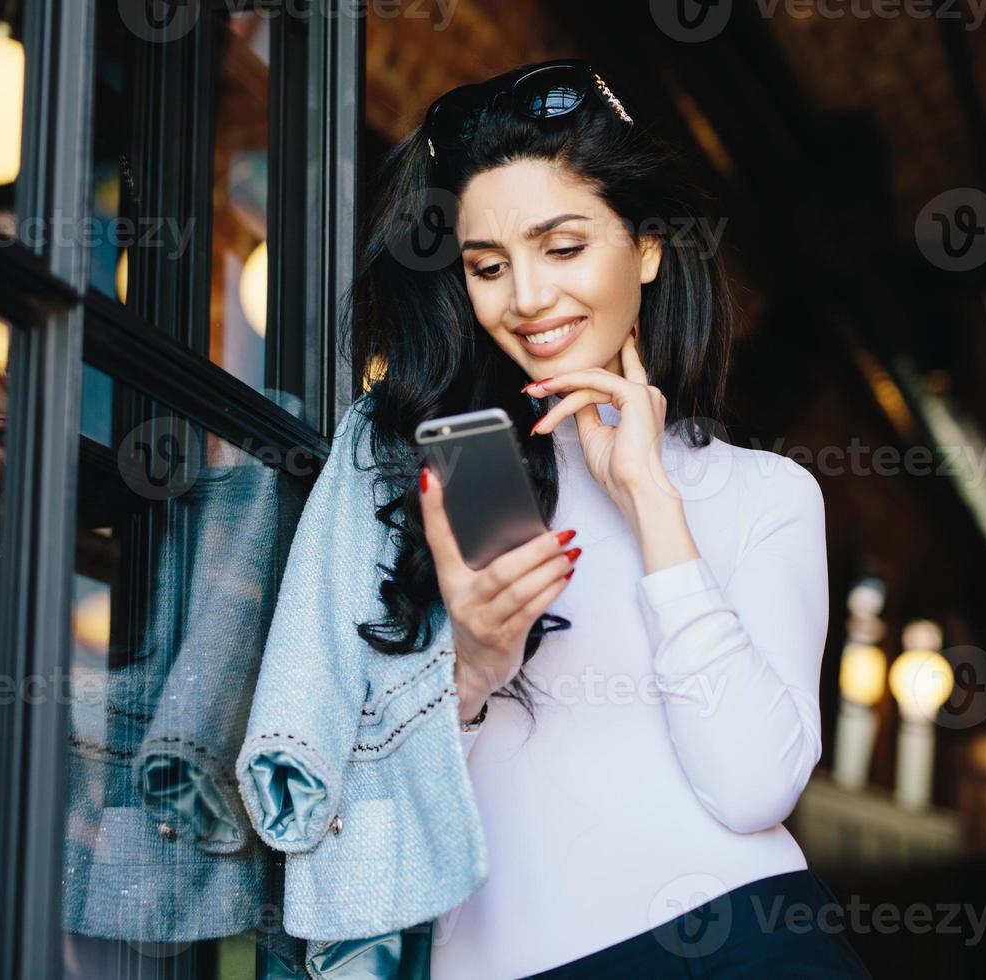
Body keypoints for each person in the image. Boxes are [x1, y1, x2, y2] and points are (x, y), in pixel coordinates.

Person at [339, 59, 871, 978]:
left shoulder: (764, 493)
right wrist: (471, 669)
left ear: (649, 249)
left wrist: (651, 503)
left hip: (737, 938)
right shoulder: (426, 476)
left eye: (564, 246)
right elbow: (353, 804)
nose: (529, 297)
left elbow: (752, 788)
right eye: (489, 267)